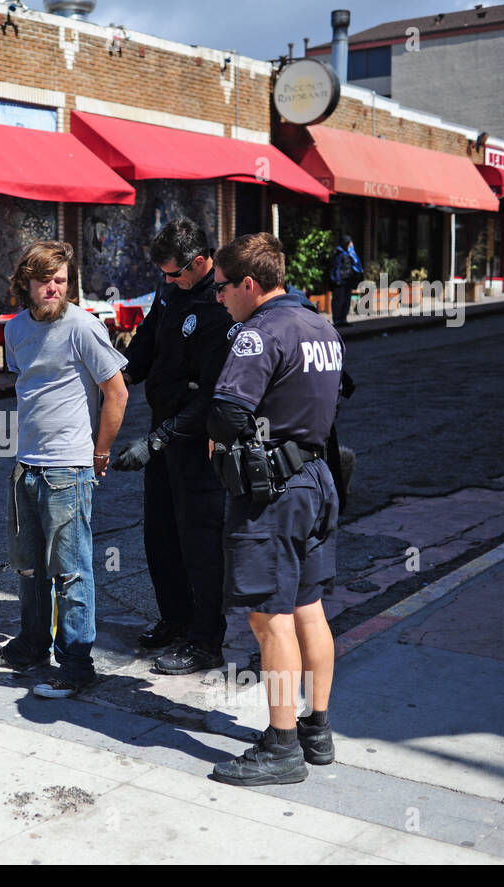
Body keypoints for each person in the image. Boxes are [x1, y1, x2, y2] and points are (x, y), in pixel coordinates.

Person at [207, 232, 344, 786]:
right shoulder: (320, 324)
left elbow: (226, 411)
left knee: (269, 618)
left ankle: (282, 747)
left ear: (248, 284)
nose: (218, 298)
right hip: (315, 478)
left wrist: (225, 445)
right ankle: (317, 730)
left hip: (274, 494)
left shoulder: (259, 332)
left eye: (222, 289)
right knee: (309, 608)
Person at [0, 240, 129, 698]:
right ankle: (32, 646)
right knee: (27, 567)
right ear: (26, 282)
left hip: (69, 470)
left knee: (72, 571)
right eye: (45, 280)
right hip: (27, 466)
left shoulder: (84, 327)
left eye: (61, 280)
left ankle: (77, 664)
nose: (54, 288)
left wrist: (98, 455)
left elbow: (116, 393)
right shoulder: (15, 329)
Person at [112, 218, 231, 677]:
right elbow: (144, 347)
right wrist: (117, 376)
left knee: (198, 541)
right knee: (160, 535)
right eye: (162, 274)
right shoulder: (169, 294)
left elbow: (214, 394)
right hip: (161, 433)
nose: (166, 281)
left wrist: (159, 439)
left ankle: (206, 640)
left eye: (174, 272)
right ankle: (176, 618)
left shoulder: (220, 305)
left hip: (197, 440)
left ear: (200, 262)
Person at [327, 234, 363, 327]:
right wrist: (336, 280)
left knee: (346, 301)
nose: (351, 245)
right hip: (340, 282)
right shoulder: (339, 253)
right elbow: (336, 268)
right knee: (339, 301)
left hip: (348, 281)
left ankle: (343, 319)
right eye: (350, 243)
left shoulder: (349, 253)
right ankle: (337, 320)